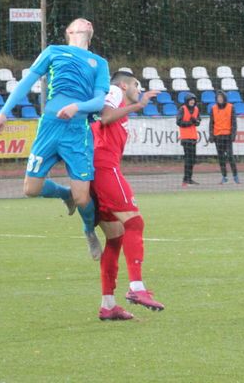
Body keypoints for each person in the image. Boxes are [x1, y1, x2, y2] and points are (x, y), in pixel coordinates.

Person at [0, 18, 110, 259]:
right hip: (49, 126)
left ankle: (88, 230)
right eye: (79, 21)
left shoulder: (99, 63)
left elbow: (99, 101)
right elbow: (26, 82)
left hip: (77, 131)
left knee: (83, 197)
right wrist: (4, 112)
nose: (85, 22)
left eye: (88, 22)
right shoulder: (53, 52)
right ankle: (63, 194)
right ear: (69, 31)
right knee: (31, 189)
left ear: (92, 32)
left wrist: (77, 107)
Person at [91, 71, 165, 320]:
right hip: (104, 167)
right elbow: (105, 117)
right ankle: (137, 288)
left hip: (96, 169)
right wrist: (138, 105)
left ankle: (108, 305)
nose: (138, 88)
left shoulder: (117, 99)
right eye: (136, 84)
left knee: (115, 237)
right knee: (135, 222)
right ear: (124, 85)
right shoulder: (114, 92)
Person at [209, 90, 239, 184]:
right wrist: (211, 135)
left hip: (228, 136)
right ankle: (224, 176)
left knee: (230, 156)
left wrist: (233, 134)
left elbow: (234, 122)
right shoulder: (213, 108)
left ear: (224, 98)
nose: (220, 99)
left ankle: (235, 176)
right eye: (218, 98)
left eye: (221, 98)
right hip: (218, 136)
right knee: (221, 158)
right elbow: (211, 123)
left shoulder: (231, 107)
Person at [176, 93, 201, 187]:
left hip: (193, 137)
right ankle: (186, 179)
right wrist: (190, 122)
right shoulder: (182, 109)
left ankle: (188, 178)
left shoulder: (196, 109)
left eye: (193, 100)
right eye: (190, 100)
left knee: (192, 159)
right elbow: (179, 122)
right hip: (185, 138)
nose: (192, 101)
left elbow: (198, 121)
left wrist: (196, 121)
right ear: (187, 101)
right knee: (188, 159)